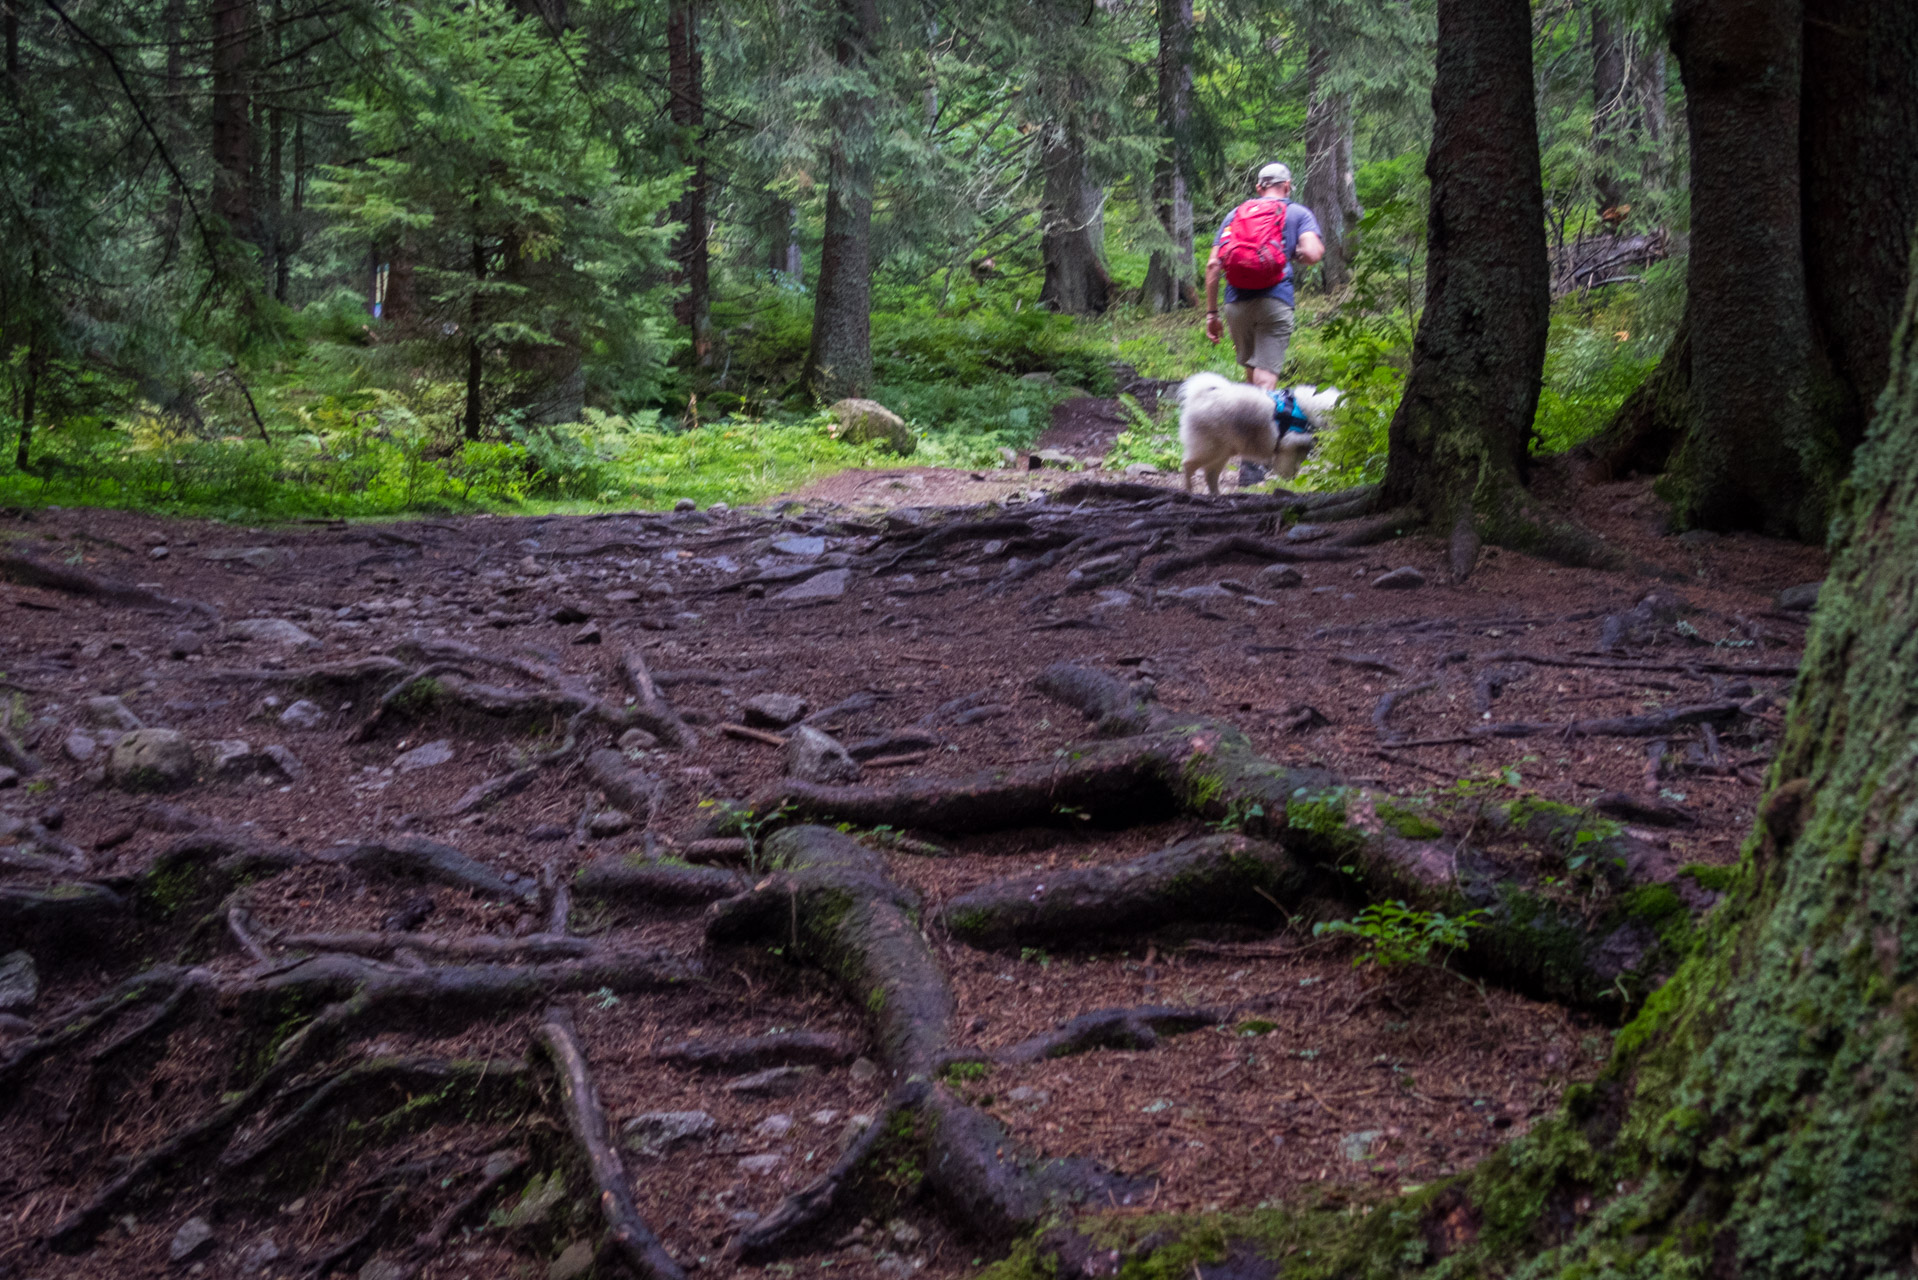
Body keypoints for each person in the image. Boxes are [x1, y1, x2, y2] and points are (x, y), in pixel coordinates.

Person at [1203, 162, 1324, 484]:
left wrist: (1211, 314)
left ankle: (1247, 450)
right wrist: (1295, 253)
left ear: (1259, 187)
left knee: (1251, 382)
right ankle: (1253, 465)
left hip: (1236, 305)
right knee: (1265, 384)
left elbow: (1214, 266)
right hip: (1275, 301)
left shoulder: (1235, 215)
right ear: (1287, 186)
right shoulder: (1298, 213)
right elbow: (1313, 253)